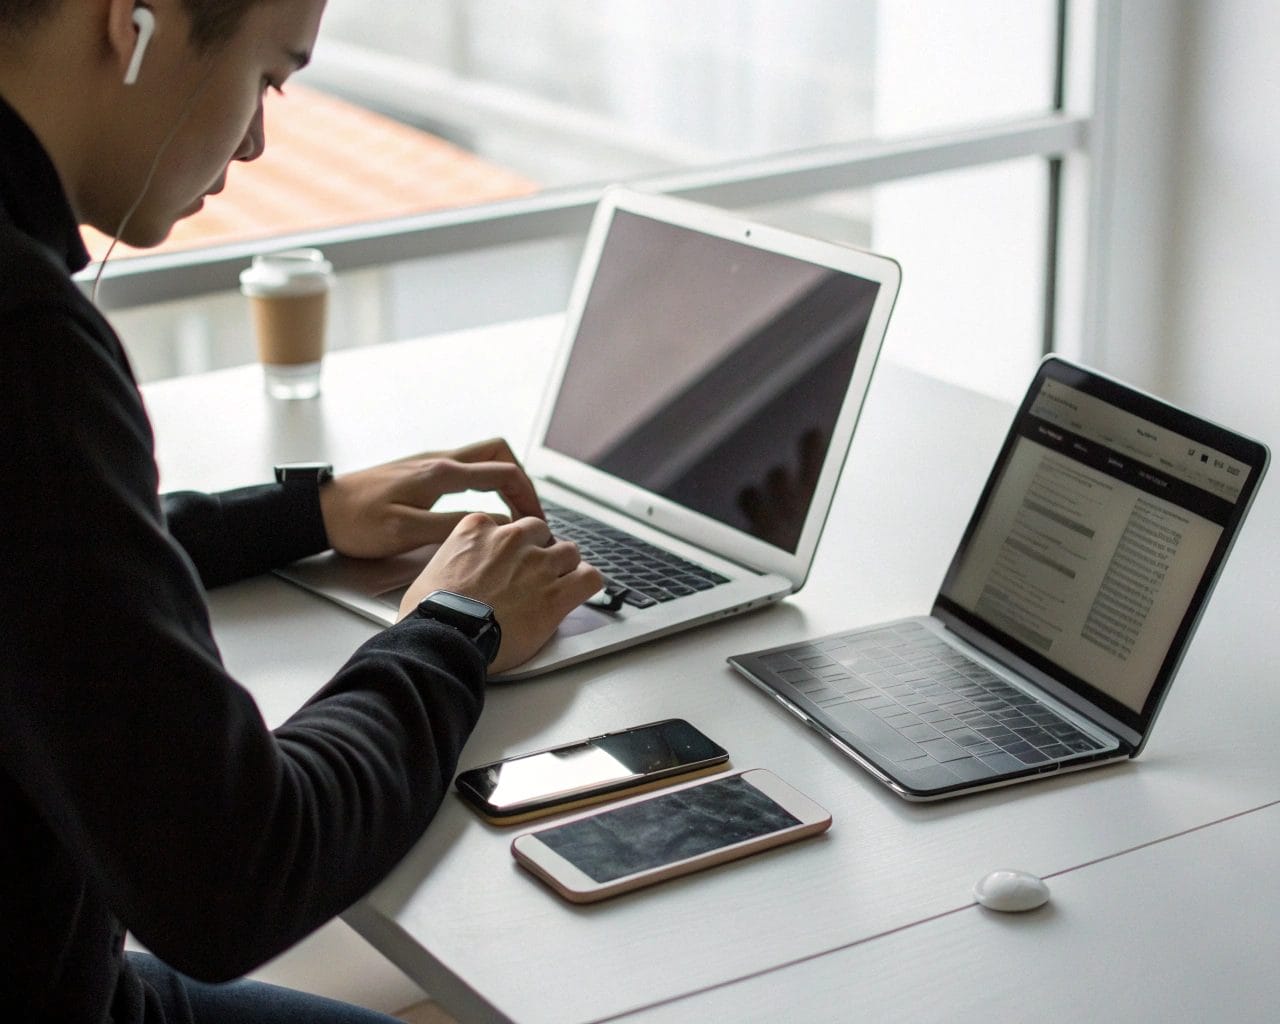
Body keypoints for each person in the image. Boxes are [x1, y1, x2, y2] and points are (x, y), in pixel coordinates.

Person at [0, 1, 603, 1020]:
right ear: (131, 23)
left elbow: (43, 552)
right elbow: (231, 872)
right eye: (269, 77)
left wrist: (307, 511)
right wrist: (450, 628)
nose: (255, 140)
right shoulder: (24, 348)